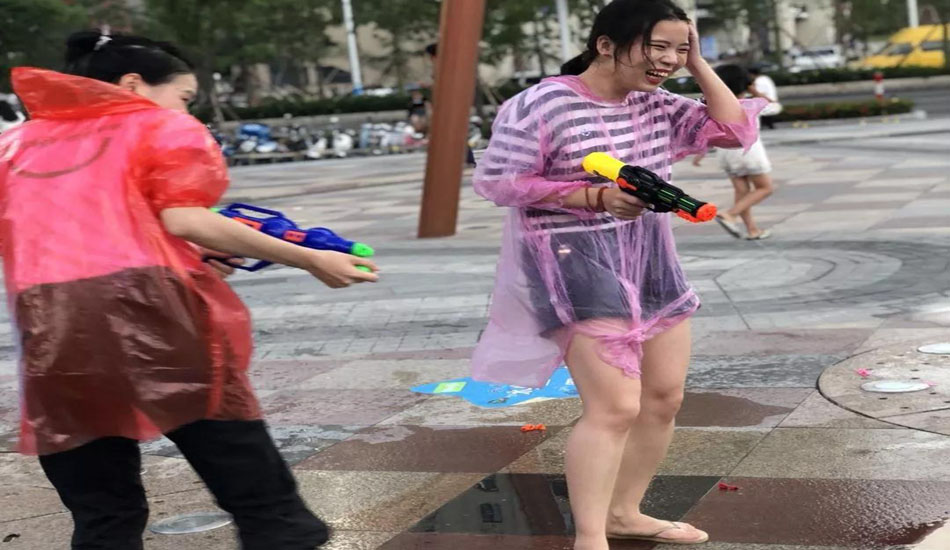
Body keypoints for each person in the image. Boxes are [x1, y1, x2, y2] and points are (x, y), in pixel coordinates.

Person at [0, 30, 378, 550]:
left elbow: (73, 229)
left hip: (49, 322)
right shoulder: (161, 126)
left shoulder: (15, 144)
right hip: (152, 308)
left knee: (99, 500)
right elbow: (185, 219)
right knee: (243, 467)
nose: (185, 108)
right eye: (185, 96)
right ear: (133, 84)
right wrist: (312, 258)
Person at [471, 1, 766, 548]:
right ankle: (590, 536)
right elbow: (499, 181)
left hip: (651, 259)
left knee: (663, 397)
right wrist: (594, 197)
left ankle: (624, 514)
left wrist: (698, 63)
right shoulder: (541, 104)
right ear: (605, 44)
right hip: (571, 261)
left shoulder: (657, 102)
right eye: (657, 47)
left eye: (679, 49)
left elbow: (732, 130)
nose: (668, 60)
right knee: (614, 407)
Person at [713, 64, 775, 240]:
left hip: (725, 152)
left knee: (742, 191)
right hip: (749, 151)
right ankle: (730, 214)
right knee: (765, 188)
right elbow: (772, 106)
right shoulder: (749, 103)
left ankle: (752, 230)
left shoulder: (717, 103)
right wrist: (754, 90)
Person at [748, 65, 782, 129]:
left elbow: (759, 95)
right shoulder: (766, 78)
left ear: (751, 74)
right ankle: (768, 123)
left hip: (770, 105)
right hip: (774, 104)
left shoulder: (758, 81)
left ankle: (755, 127)